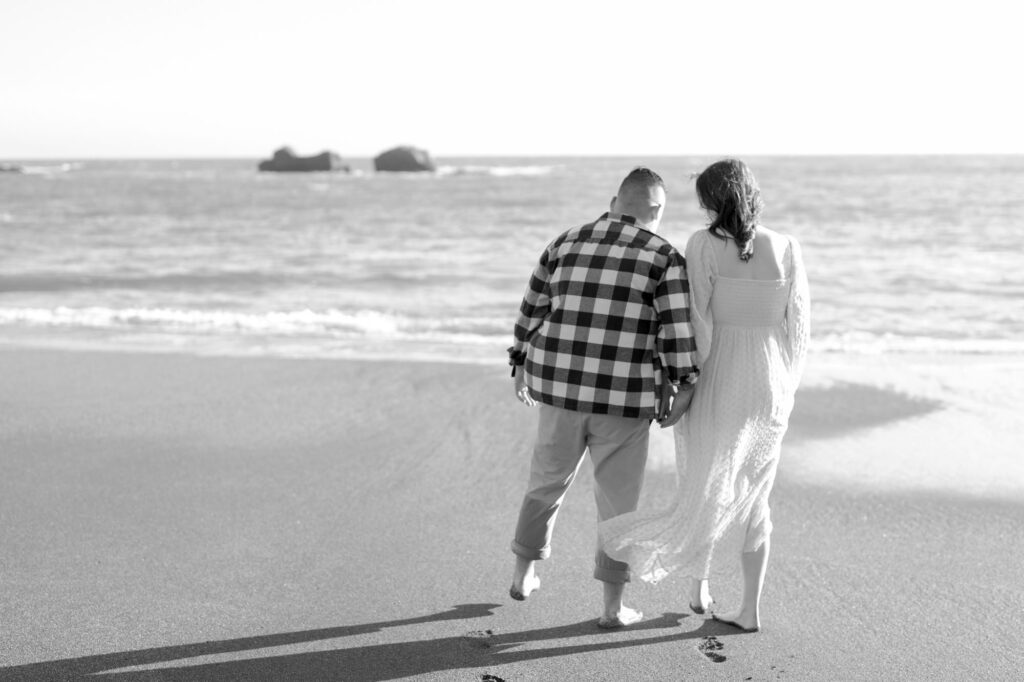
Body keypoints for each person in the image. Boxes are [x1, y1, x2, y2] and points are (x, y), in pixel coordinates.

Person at [600, 158, 810, 633]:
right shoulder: (788, 246)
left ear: (711, 200)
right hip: (770, 381)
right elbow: (799, 328)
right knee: (756, 496)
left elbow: (699, 322)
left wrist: (686, 382)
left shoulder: (703, 244)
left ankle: (699, 584)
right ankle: (750, 610)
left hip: (719, 373)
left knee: (706, 479)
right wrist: (786, 387)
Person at [507, 167, 700, 628]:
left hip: (559, 388)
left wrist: (518, 362)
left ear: (616, 200)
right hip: (624, 398)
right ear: (656, 211)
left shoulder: (565, 241)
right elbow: (676, 332)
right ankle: (613, 609)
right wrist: (685, 384)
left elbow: (532, 308)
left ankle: (523, 574)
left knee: (546, 483)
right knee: (618, 505)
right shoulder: (664, 256)